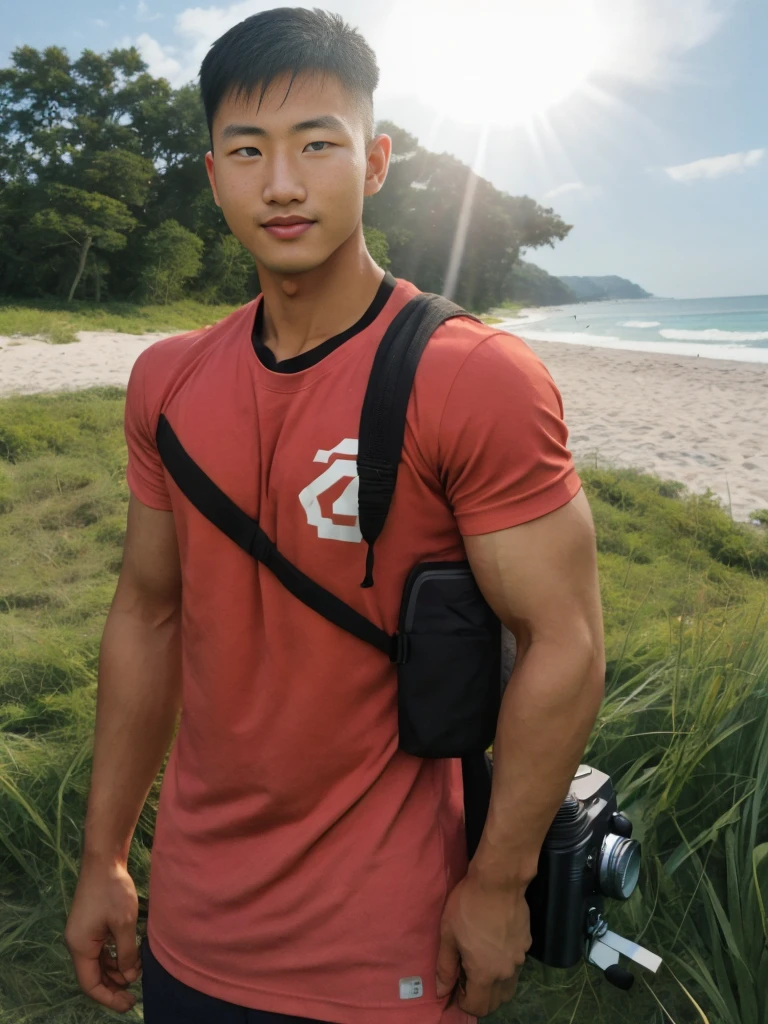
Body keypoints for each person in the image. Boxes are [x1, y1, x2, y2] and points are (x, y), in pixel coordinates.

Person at [63, 8, 605, 1023]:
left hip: (388, 938)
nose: (281, 182)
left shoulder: (473, 376)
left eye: (319, 144)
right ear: (213, 170)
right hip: (193, 922)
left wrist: (496, 884)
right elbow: (148, 614)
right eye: (247, 150)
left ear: (376, 161)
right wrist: (105, 858)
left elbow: (562, 640)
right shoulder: (167, 381)